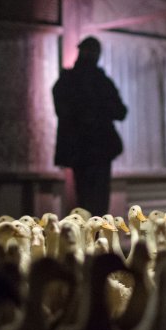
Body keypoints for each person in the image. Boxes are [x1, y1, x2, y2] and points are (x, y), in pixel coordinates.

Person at [53, 36, 127, 216]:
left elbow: (62, 109)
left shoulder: (67, 81)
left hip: (80, 151)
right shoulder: (100, 82)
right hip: (98, 150)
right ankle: (94, 239)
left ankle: (88, 239)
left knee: (85, 198)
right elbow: (120, 111)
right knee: (98, 200)